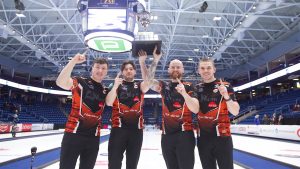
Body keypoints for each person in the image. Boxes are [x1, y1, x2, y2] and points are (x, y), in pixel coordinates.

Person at [141, 48, 199, 169]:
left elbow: (195, 109)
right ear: (168, 70)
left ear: (182, 70)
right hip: (167, 137)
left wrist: (184, 93)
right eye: (173, 67)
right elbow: (147, 81)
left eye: (178, 67)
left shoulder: (189, 86)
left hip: (185, 136)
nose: (175, 69)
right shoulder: (164, 86)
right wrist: (155, 60)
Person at [56, 52, 109, 169]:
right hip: (73, 135)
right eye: (97, 67)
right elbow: (60, 82)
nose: (100, 71)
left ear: (106, 72)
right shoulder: (80, 82)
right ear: (92, 69)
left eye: (103, 68)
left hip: (93, 138)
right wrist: (73, 61)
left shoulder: (105, 91)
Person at [105, 55, 150, 169]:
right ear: (122, 72)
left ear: (135, 71)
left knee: (132, 164)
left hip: (136, 132)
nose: (128, 71)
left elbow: (148, 82)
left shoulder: (140, 85)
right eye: (126, 69)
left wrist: (142, 62)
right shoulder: (115, 85)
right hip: (118, 130)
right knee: (114, 163)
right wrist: (115, 85)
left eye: (131, 69)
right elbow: (109, 102)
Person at [196, 57, 240, 169]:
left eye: (208, 67)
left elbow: (235, 111)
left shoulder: (225, 85)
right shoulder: (196, 88)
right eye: (202, 68)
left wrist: (226, 96)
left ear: (214, 69)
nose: (205, 70)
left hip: (223, 138)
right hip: (203, 139)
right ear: (198, 70)